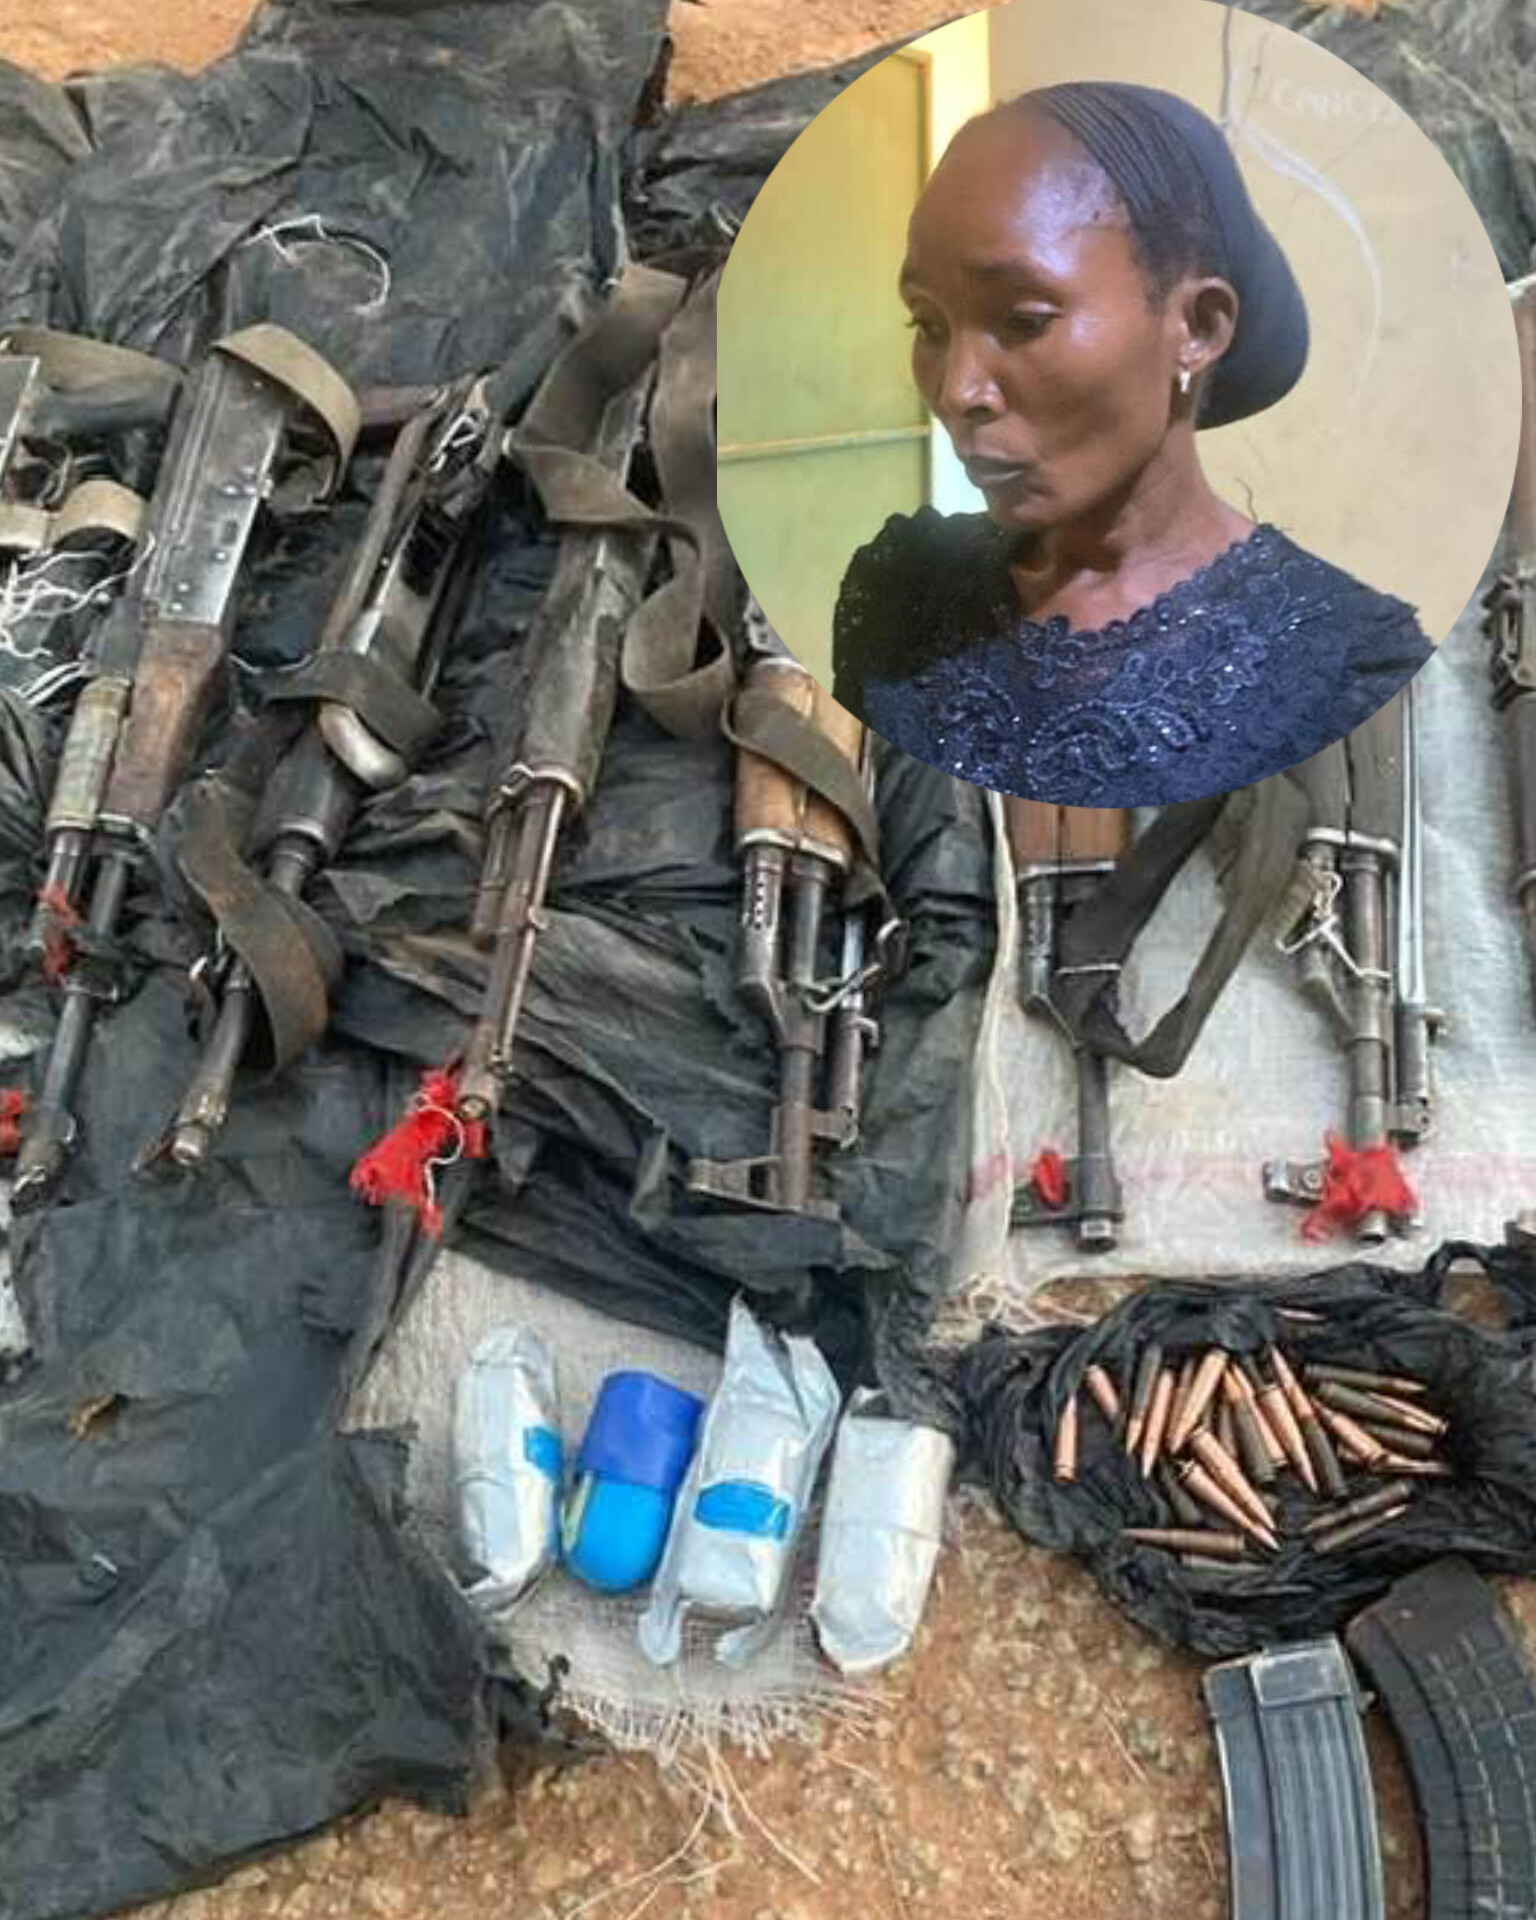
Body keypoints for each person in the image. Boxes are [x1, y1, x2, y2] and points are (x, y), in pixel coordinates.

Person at [829, 80, 1435, 806]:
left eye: (1024, 320)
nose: (957, 391)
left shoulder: (1352, 665)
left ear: (1198, 328)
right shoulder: (901, 590)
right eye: (928, 325)